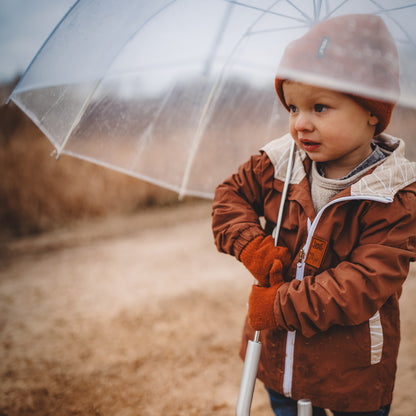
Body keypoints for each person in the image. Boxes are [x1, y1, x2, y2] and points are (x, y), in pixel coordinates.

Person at [211, 13, 416, 416]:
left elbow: (363, 284)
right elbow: (228, 198)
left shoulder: (394, 194)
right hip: (277, 359)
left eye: (319, 108)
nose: (300, 124)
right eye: (292, 108)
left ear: (371, 111)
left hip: (349, 373)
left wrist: (281, 305)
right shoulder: (279, 162)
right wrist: (252, 246)